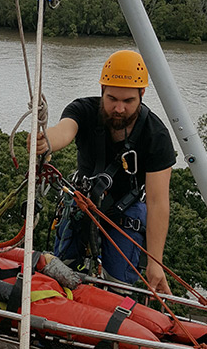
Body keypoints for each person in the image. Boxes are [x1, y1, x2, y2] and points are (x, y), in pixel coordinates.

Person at [31, 49, 176, 295]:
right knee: (59, 270)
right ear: (102, 91)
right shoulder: (84, 110)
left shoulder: (156, 136)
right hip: (82, 202)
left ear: (142, 94)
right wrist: (47, 140)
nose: (119, 108)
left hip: (126, 208)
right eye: (112, 99)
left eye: (128, 101)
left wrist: (154, 263)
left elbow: (158, 202)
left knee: (117, 286)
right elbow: (66, 130)